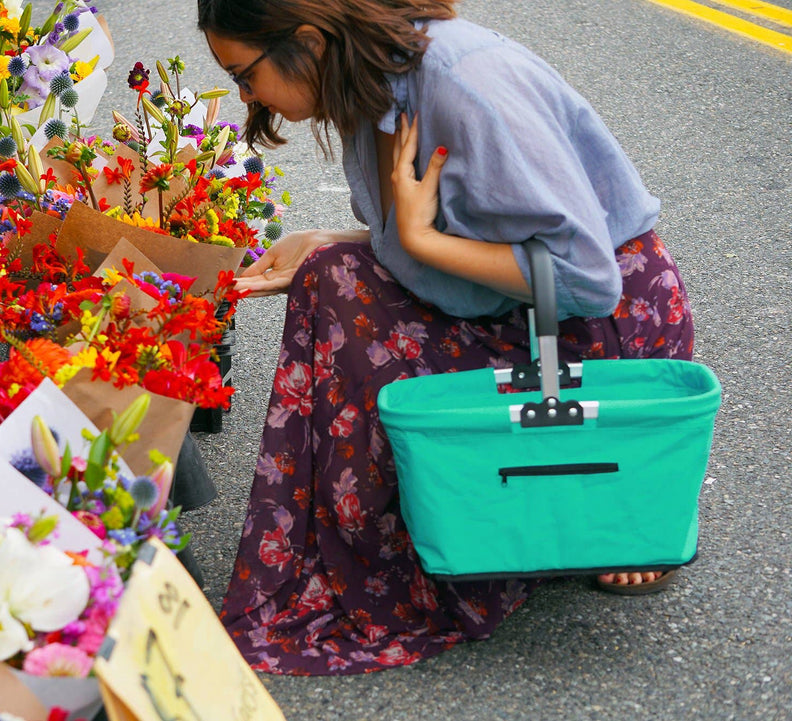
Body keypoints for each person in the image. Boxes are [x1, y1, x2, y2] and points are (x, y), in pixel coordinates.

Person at [199, 0, 695, 675]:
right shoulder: (373, 79)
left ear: (308, 41)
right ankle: (432, 533)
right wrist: (328, 239)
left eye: (243, 75)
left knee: (341, 288)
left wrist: (417, 237)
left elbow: (584, 277)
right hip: (512, 305)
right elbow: (464, 231)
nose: (247, 96)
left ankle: (608, 502)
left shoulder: (465, 84)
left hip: (594, 334)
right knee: (327, 273)